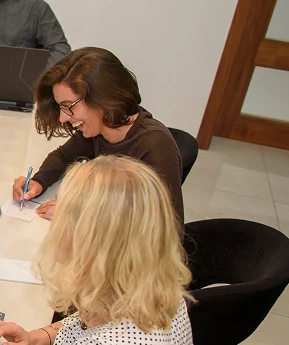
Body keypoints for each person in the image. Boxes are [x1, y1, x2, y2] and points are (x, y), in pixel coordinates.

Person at [0, 155, 193, 345]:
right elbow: (87, 322)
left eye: (63, 213)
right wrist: (39, 337)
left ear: (90, 240)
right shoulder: (146, 287)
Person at [13, 47, 184, 229]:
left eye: (69, 106)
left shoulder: (154, 146)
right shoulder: (100, 128)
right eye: (60, 107)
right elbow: (63, 156)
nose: (63, 118)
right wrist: (38, 182)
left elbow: (164, 230)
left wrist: (80, 215)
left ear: (102, 98)